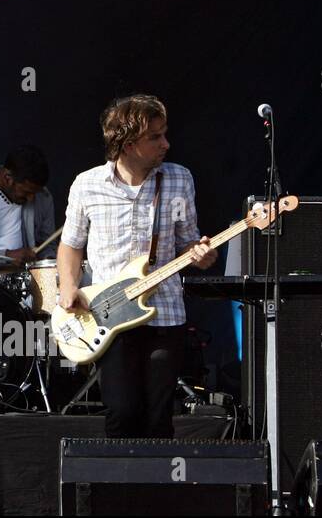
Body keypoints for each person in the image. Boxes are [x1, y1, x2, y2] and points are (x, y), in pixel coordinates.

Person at [56, 94, 217, 438]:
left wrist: (200, 253)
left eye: (164, 133)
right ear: (128, 144)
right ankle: (117, 489)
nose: (166, 144)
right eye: (155, 137)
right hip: (108, 314)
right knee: (122, 412)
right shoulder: (87, 184)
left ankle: (157, 490)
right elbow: (71, 244)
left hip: (165, 313)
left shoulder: (178, 179)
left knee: (159, 417)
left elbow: (189, 239)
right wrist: (68, 287)